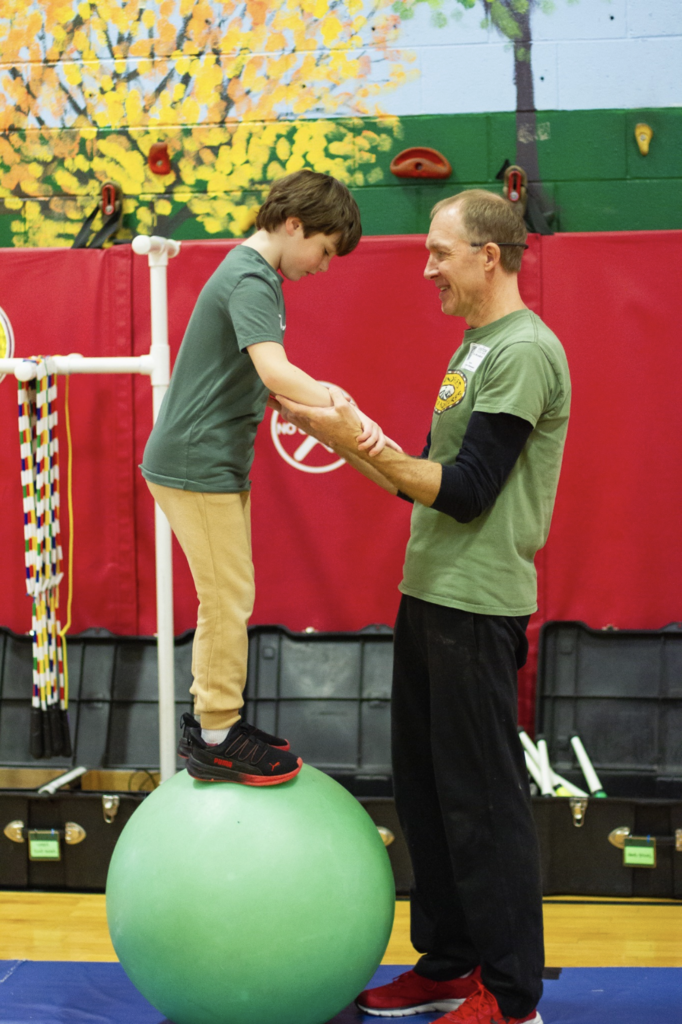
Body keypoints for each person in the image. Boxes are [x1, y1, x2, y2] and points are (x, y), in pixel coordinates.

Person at [277, 189, 571, 1024]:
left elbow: (470, 491)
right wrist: (347, 435)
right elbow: (425, 486)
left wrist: (364, 443)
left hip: (478, 607)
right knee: (429, 795)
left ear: (490, 254)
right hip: (430, 595)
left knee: (482, 805)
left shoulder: (523, 351)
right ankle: (449, 966)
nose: (427, 267)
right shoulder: (475, 350)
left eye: (440, 251)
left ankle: (512, 1000)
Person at [140, 170, 388, 787]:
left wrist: (325, 407)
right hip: (196, 464)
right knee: (228, 598)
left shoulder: (252, 275)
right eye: (325, 251)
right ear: (294, 224)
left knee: (226, 595)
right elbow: (275, 372)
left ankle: (215, 726)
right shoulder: (252, 278)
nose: (325, 266)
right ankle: (218, 735)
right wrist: (342, 405)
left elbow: (263, 385)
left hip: (209, 462)